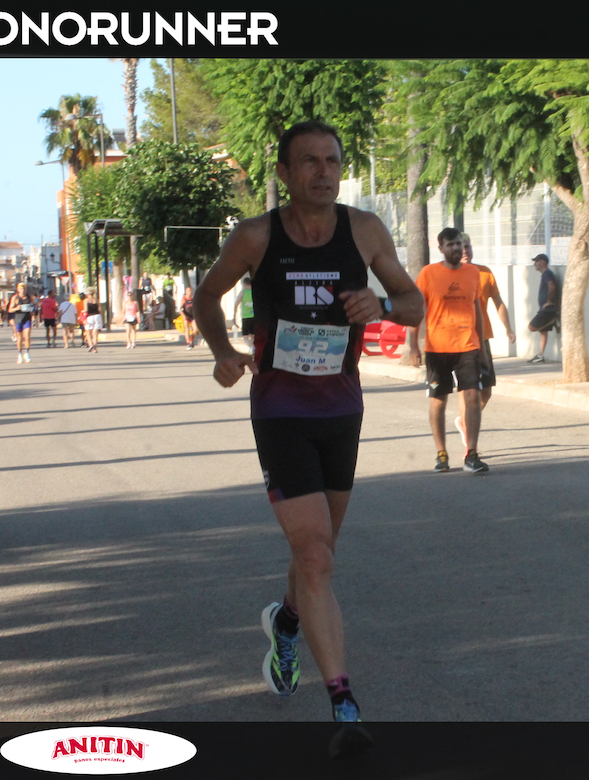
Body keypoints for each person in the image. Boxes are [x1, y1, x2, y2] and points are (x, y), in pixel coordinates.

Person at [193, 121, 423, 758]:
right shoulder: (256, 236)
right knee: (316, 557)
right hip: (280, 410)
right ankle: (344, 705)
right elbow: (207, 296)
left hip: (341, 409)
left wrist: (380, 305)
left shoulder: (365, 230)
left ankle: (287, 622)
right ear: (285, 173)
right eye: (310, 161)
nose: (324, 172)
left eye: (333, 161)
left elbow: (414, 303)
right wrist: (223, 351)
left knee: (318, 551)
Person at [413, 227, 489, 474]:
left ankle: (472, 454)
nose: (456, 248)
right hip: (437, 348)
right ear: (441, 248)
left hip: (467, 345)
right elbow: (417, 309)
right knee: (438, 401)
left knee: (472, 397)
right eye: (451, 244)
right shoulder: (428, 273)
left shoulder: (473, 273)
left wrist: (482, 346)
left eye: (458, 244)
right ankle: (441, 454)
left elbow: (476, 309)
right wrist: (412, 344)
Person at [454, 232, 515, 456]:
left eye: (468, 246)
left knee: (486, 391)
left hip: (483, 338)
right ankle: (471, 444)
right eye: (461, 247)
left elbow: (498, 302)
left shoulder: (485, 273)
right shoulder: (450, 275)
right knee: (467, 390)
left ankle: (465, 422)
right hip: (461, 340)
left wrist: (508, 328)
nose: (465, 251)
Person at [527, 253, 560, 363]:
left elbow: (552, 286)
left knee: (531, 327)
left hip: (548, 309)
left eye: (537, 261)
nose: (535, 264)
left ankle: (553, 320)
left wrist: (549, 301)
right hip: (546, 308)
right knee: (543, 331)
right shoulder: (546, 274)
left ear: (543, 262)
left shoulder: (547, 274)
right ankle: (540, 355)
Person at [8, 283, 36, 363]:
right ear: (18, 290)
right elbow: (10, 310)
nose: (22, 290)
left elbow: (34, 305)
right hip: (18, 319)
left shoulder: (29, 297)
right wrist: (17, 308)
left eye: (24, 288)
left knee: (27, 336)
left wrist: (32, 311)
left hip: (27, 318)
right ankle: (19, 354)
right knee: (19, 337)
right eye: (21, 288)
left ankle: (27, 353)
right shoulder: (15, 298)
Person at [236, 276, 255, 352]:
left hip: (246, 317)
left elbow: (236, 304)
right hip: (255, 316)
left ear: (244, 284)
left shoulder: (242, 292)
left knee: (245, 336)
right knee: (253, 335)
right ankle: (253, 348)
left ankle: (252, 347)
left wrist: (235, 315)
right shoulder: (255, 292)